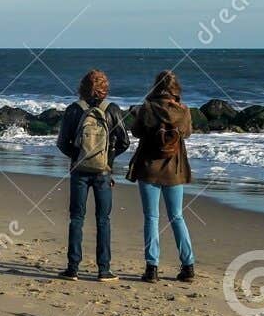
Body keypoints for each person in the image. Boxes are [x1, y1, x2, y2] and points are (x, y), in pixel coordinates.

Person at [55, 69, 129, 281]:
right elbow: (124, 142)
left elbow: (62, 143)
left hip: (79, 171)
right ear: (105, 88)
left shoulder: (73, 110)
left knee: (77, 218)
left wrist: (78, 157)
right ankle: (104, 270)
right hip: (103, 173)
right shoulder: (112, 109)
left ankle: (73, 268)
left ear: (82, 87)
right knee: (103, 220)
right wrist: (106, 161)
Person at [126, 70, 196, 283]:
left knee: (151, 217)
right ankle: (188, 265)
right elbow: (188, 133)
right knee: (177, 216)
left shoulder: (147, 108)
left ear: (156, 87)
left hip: (149, 167)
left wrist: (138, 115)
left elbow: (136, 132)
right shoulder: (183, 111)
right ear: (176, 89)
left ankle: (152, 268)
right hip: (174, 169)